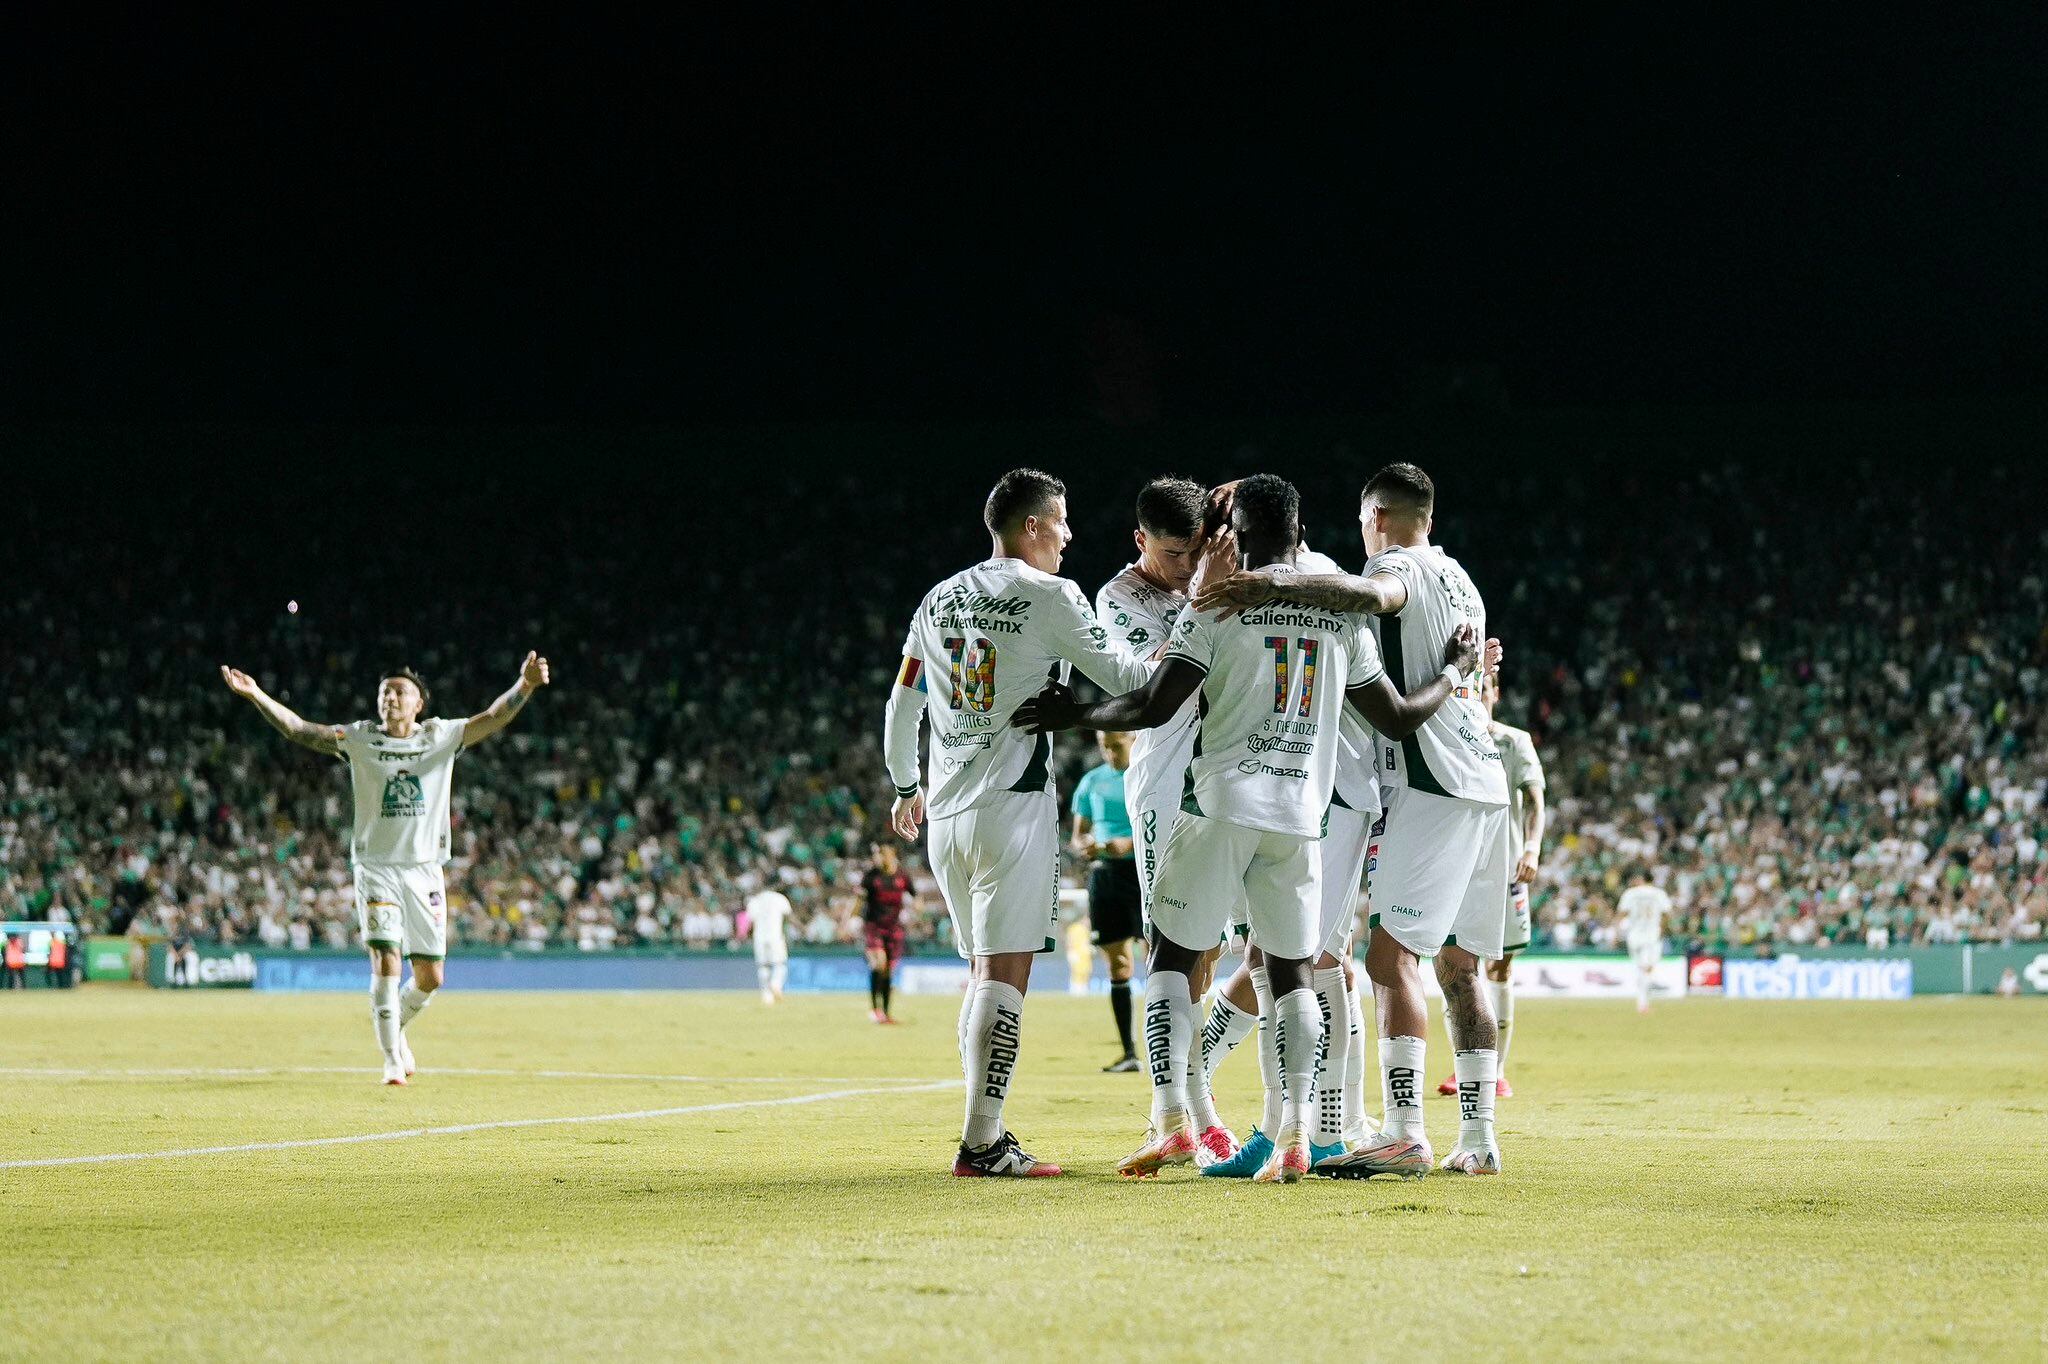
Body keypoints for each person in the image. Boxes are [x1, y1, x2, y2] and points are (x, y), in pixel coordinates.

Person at [1017, 474, 1475, 1182]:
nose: (1199, 555)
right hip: (1294, 813)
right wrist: (1455, 671)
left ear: (1232, 535)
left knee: (1178, 957)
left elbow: (1153, 702)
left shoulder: (1219, 602)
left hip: (1217, 802)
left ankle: (1184, 1118)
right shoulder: (1332, 607)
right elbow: (1395, 714)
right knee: (1287, 969)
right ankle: (1287, 1133)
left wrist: (1071, 714)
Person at [1197, 462, 1511, 1178]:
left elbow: (1374, 595)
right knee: (1459, 967)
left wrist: (1273, 585)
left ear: (1376, 516)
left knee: (1379, 960)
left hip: (1428, 781)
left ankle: (1396, 1132)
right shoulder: (1461, 577)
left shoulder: (1394, 566)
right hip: (1481, 778)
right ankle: (1478, 1138)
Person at [882, 468, 1154, 1177]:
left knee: (982, 974)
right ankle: (982, 1142)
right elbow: (1130, 679)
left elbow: (902, 703)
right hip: (1013, 805)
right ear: (1032, 525)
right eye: (1060, 520)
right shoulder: (1052, 595)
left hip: (945, 815)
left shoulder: (939, 598)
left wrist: (907, 786)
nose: (1068, 534)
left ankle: (984, 1130)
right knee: (1004, 976)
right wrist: (1182, 638)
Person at [222, 653, 551, 1085]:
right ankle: (393, 1059)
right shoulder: (359, 738)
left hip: (424, 870)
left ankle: (394, 1025)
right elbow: (300, 729)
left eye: (399, 691)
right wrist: (257, 695)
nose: (390, 698)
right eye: (384, 692)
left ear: (419, 704)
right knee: (386, 959)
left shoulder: (441, 736)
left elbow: (492, 717)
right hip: (376, 868)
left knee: (431, 978)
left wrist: (525, 686)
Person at [1094, 475, 1250, 1163]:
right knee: (1172, 942)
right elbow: (1151, 681)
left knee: (1213, 952)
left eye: (1194, 552)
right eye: (1172, 554)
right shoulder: (1119, 597)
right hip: (1165, 779)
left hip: (1229, 769)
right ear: (1141, 540)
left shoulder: (1216, 565)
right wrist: (1208, 589)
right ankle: (1178, 1114)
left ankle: (1194, 1097)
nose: (1186, 567)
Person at [1440, 660, 1545, 1099]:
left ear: (1495, 694)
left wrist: (1531, 848)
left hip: (1504, 870)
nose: (1477, 697)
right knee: (1456, 966)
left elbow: (1535, 800)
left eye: (1483, 690)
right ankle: (1463, 1066)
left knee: (1500, 966)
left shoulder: (1514, 742)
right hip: (1457, 869)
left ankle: (1496, 1070)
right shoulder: (1447, 736)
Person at [1070, 730, 1144, 1071]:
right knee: (1118, 964)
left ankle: (1173, 1052)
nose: (1111, 753)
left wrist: (1129, 844)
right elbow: (1078, 835)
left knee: (1159, 959)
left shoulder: (1146, 772)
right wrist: (1085, 845)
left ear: (1133, 739)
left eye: (1117, 746)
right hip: (1105, 875)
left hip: (1144, 872)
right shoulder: (1091, 782)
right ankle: (1129, 1054)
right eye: (1105, 747)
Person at [860, 844, 914, 1023]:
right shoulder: (871, 877)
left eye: (881, 854)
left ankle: (885, 1012)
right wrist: (847, 921)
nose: (878, 858)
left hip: (894, 929)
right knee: (879, 964)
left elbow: (915, 895)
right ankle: (874, 1009)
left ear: (891, 855)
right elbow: (858, 898)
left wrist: (917, 908)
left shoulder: (902, 876)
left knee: (888, 972)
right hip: (874, 927)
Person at [1618, 871, 1671, 1013]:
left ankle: (1642, 1001)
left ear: (1641, 879)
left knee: (1640, 969)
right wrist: (1662, 929)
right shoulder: (1659, 894)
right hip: (1651, 935)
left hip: (1634, 936)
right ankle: (1643, 1003)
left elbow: (1622, 913)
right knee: (1648, 969)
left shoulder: (1630, 893)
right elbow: (1666, 913)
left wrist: (1618, 932)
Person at [747, 884, 792, 1004]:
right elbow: (787, 917)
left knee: (763, 966)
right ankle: (776, 984)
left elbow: (750, 922)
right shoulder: (780, 898)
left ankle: (766, 996)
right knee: (780, 964)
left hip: (759, 937)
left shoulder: (754, 901)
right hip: (775, 936)